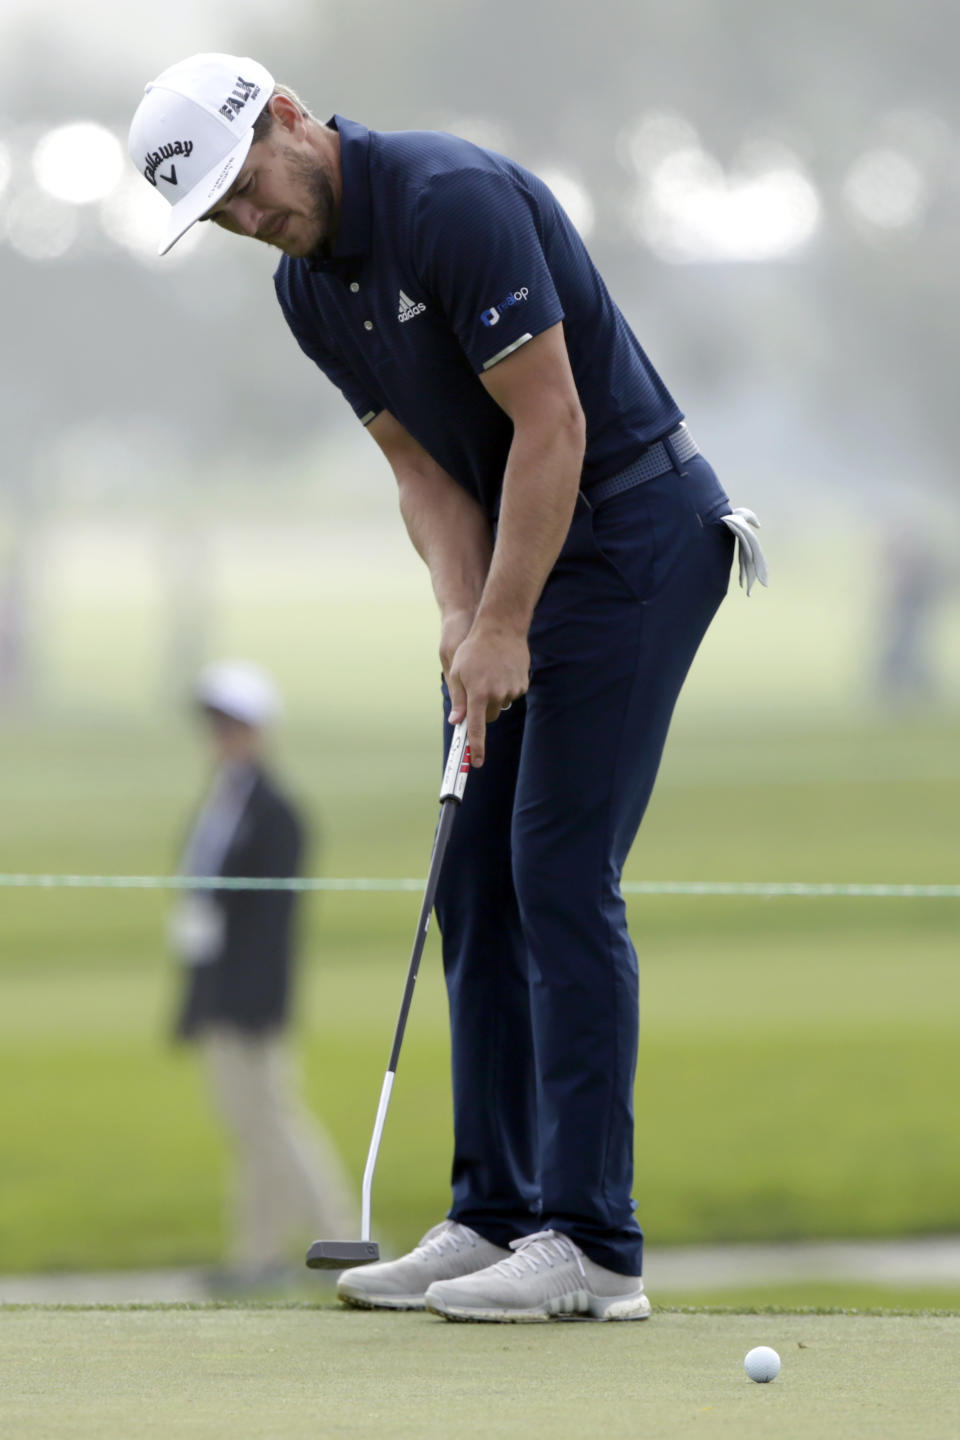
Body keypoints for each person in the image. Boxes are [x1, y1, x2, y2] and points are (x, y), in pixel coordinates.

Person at [131, 55, 767, 1323]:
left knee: (555, 870)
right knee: (470, 871)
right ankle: (492, 1215)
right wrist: (460, 618)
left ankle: (594, 1245)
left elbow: (555, 427)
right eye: (223, 219)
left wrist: (508, 622)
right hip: (528, 557)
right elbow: (424, 475)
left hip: (637, 531)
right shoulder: (309, 291)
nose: (253, 221)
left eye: (249, 184)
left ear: (291, 117)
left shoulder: (449, 199)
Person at [170, 658, 356, 1288]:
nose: (222, 736)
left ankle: (344, 1237)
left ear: (258, 729)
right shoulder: (221, 800)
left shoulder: (276, 811)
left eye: (233, 724)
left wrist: (244, 997)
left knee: (275, 1119)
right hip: (216, 989)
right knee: (250, 1127)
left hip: (252, 995)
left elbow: (271, 926)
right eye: (215, 724)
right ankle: (258, 1255)